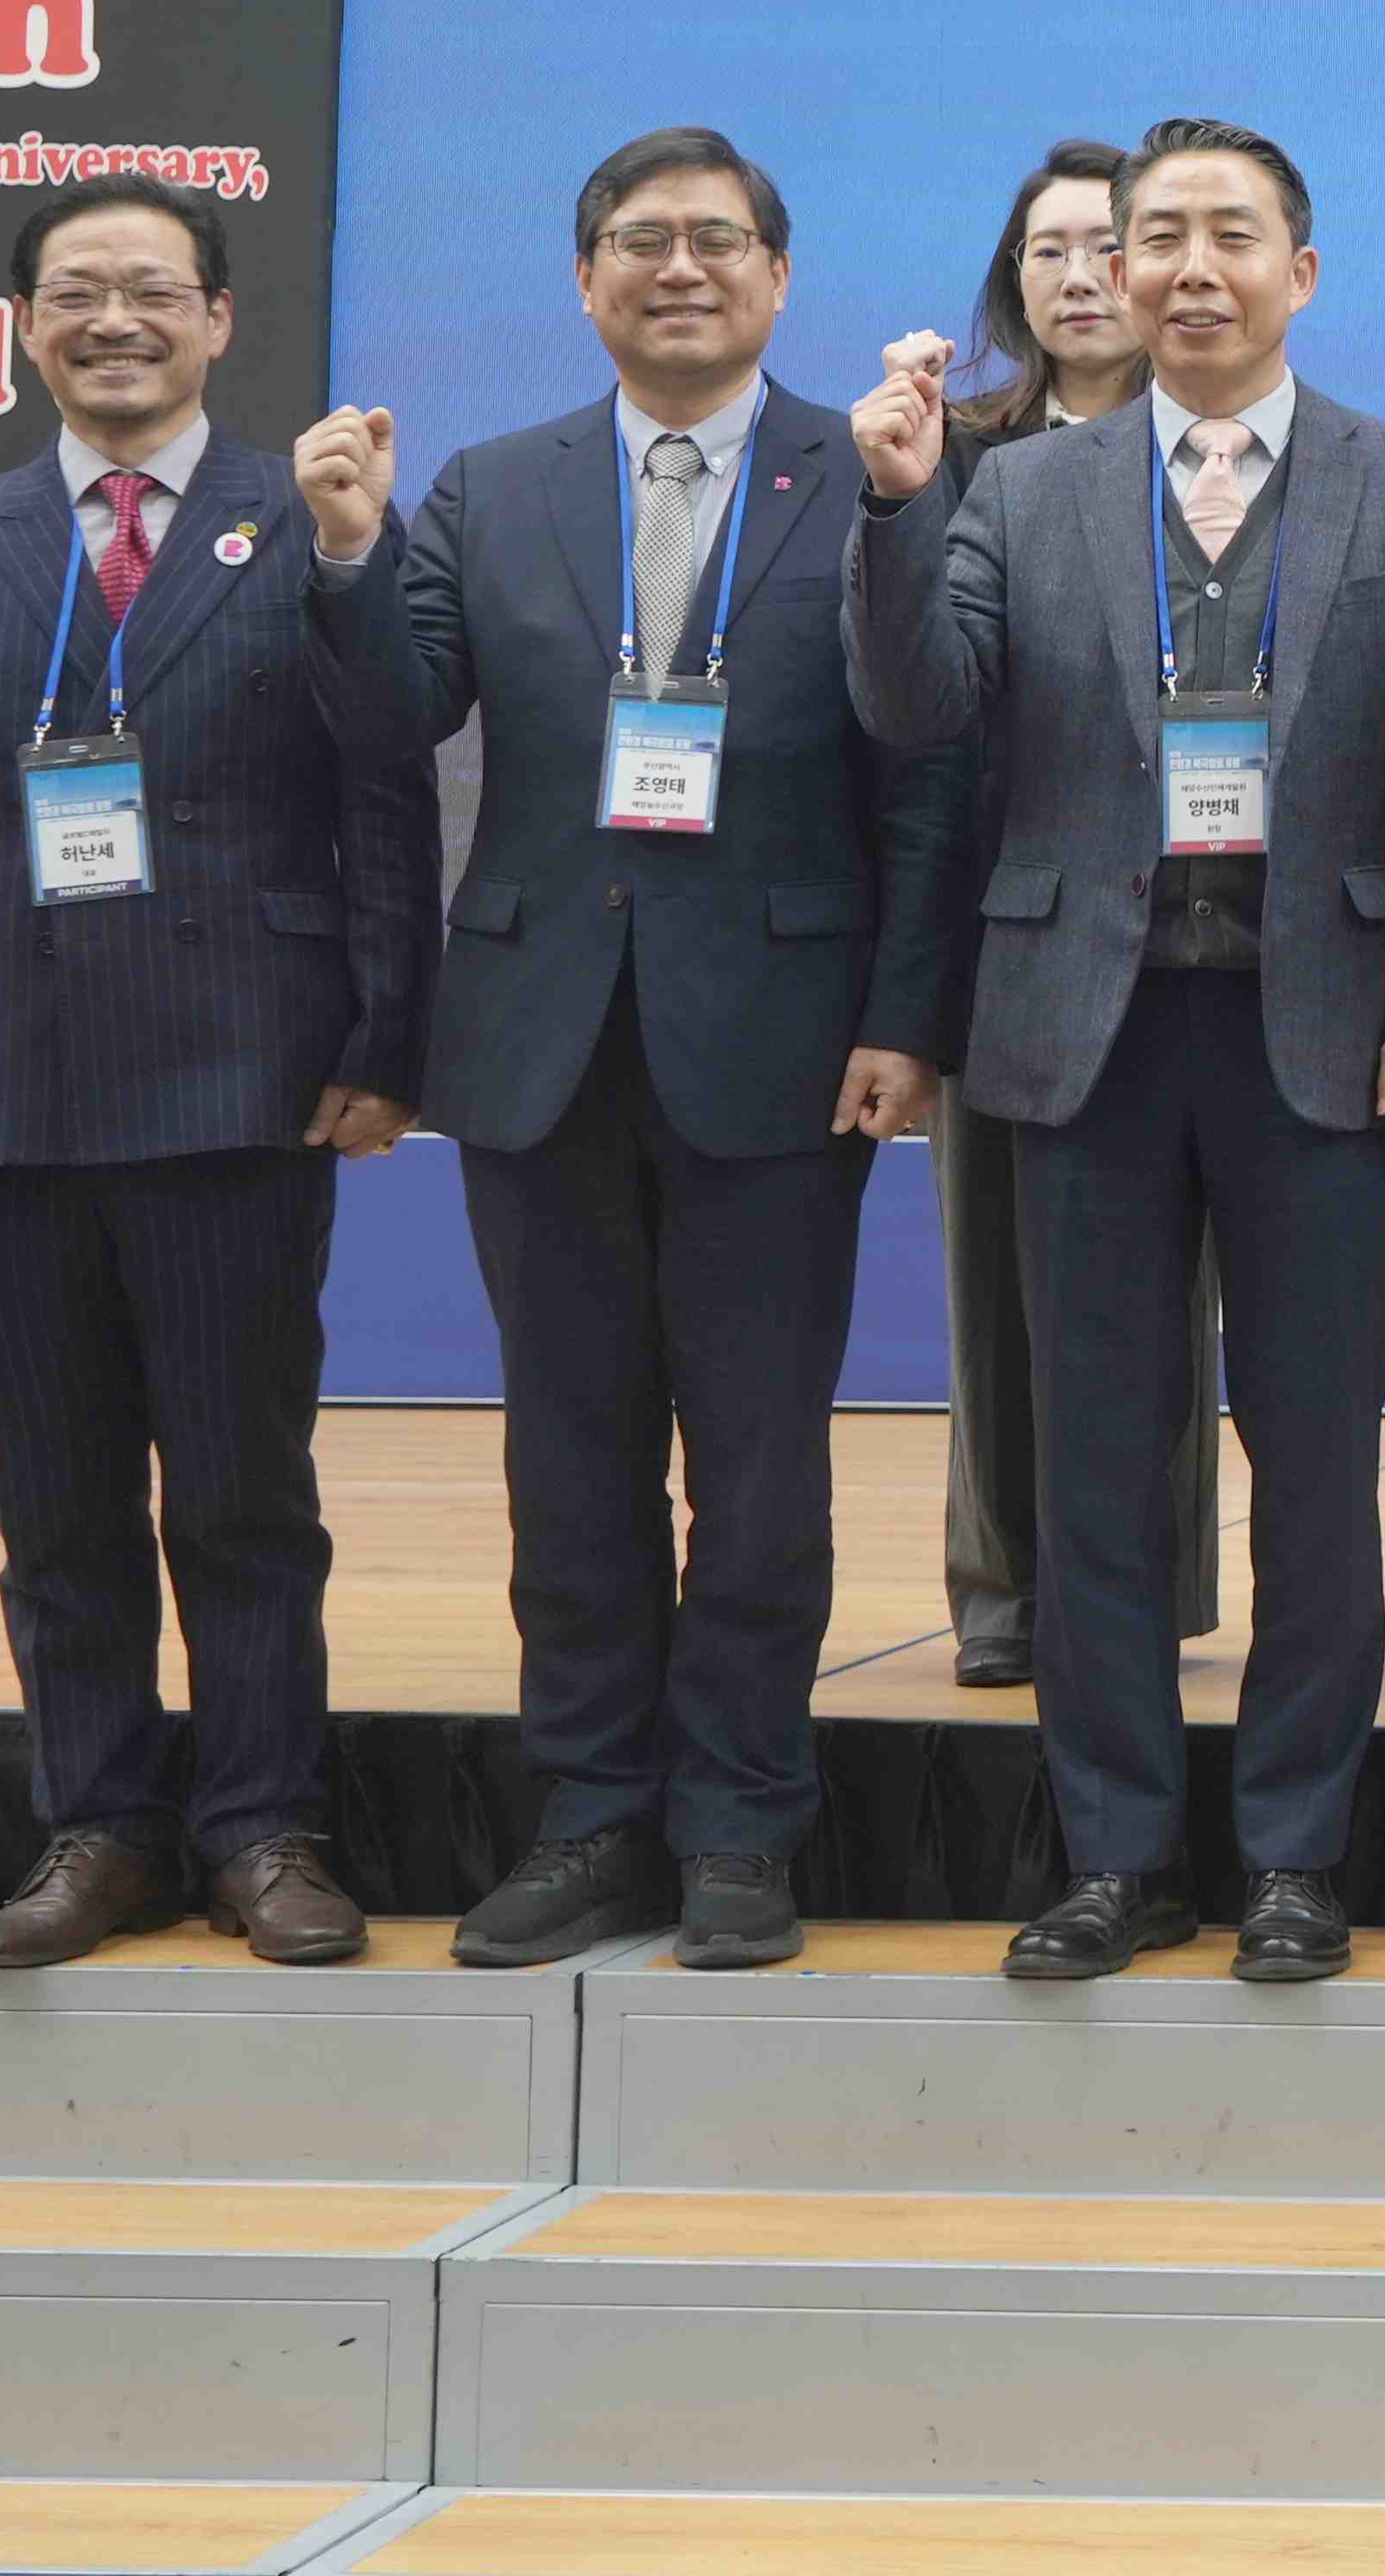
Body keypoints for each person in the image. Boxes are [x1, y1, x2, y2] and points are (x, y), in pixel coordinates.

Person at [847, 117, 1385, 1987]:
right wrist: (896, 517)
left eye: (1233, 235)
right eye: (1160, 239)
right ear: (1117, 274)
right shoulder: (1016, 491)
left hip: (1322, 1037)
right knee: (1096, 1472)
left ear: (1304, 271)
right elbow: (919, 707)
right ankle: (1118, 1854)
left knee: (1317, 1467)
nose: (1192, 269)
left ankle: (1295, 1854)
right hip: (1083, 1037)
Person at [0, 174, 437, 1967]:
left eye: (153, 286)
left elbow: (390, 779)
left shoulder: (305, 517)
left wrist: (391, 1035)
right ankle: (100, 1829)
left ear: (218, 319)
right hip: (1, 1087)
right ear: (25, 328)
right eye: (76, 290)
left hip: (242, 1078)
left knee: (243, 1497)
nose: (115, 319)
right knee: (54, 1504)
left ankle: (263, 1827)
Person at [406, 129, 964, 1973]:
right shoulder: (490, 489)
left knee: (760, 1468)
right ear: (584, 282)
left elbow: (927, 768)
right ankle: (590, 1818)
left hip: (786, 1044)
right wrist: (337, 558)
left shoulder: (871, 473)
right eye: (640, 241)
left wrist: (905, 1017)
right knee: (568, 1460)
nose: (680, 268)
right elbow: (388, 709)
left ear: (779, 278)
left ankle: (739, 1822)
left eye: (719, 240)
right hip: (540, 1039)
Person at [924, 142, 1222, 1692]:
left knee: (1166, 1301)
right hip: (1010, 933)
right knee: (998, 1287)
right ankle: (1004, 1585)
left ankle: (1148, 1586)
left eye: (1109, 244)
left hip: (1196, 927)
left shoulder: (1225, 453)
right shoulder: (955, 457)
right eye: (1044, 251)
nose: (1080, 275)